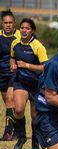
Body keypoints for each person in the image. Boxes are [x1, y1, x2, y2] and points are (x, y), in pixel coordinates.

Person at [10, 18, 48, 149]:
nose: (24, 30)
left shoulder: (38, 46)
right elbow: (12, 57)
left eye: (27, 28)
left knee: (35, 115)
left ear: (32, 31)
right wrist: (12, 64)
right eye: (22, 28)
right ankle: (21, 137)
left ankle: (35, 142)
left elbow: (45, 67)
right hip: (20, 82)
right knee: (19, 109)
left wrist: (27, 65)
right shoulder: (15, 43)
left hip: (36, 85)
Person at [0, 10, 23, 141]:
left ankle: (7, 133)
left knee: (10, 98)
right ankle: (17, 130)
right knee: (9, 103)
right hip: (2, 74)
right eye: (5, 23)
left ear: (14, 23)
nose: (8, 25)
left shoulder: (21, 35)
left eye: (10, 22)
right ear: (2, 24)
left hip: (16, 73)